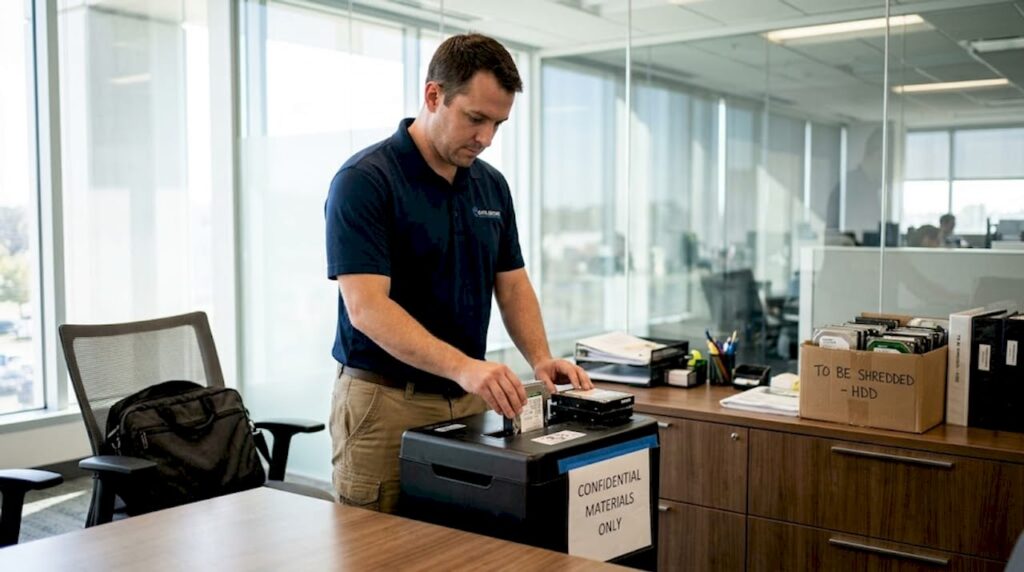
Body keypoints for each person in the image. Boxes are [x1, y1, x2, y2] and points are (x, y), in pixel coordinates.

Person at [324, 33, 592, 513]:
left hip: (469, 401)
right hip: (384, 405)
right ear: (433, 96)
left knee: (464, 547)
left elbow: (511, 284)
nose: (486, 138)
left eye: (497, 123)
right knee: (376, 554)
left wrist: (540, 358)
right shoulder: (365, 181)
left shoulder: (490, 186)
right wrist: (467, 368)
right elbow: (367, 309)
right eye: (475, 118)